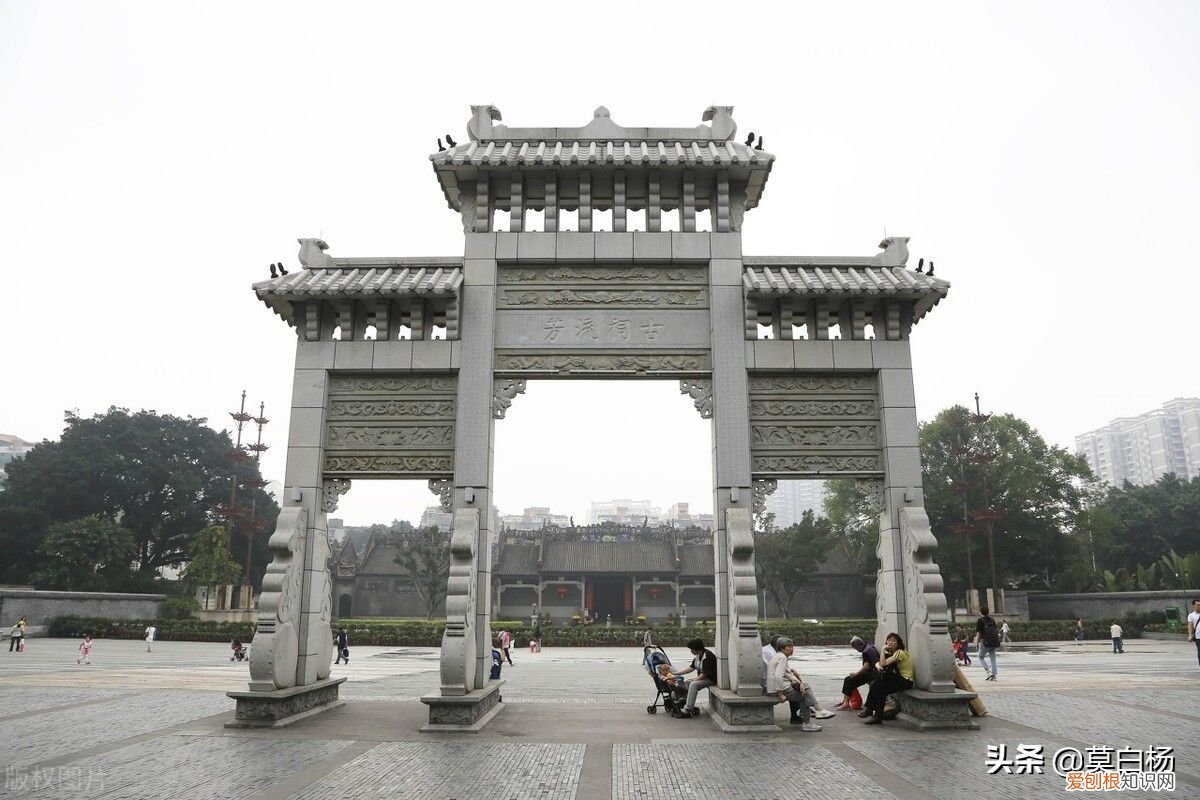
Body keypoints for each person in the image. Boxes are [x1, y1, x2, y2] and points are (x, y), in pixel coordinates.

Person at [767, 638, 824, 731]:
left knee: (804, 688)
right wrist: (780, 694)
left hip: (774, 687)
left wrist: (799, 682)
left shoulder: (778, 656)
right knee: (804, 695)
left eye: (792, 646)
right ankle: (814, 715)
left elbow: (787, 674)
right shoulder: (782, 658)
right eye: (789, 647)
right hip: (778, 689)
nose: (792, 649)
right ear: (782, 648)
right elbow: (778, 676)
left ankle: (816, 713)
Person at [861, 632, 914, 725]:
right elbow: (879, 663)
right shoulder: (891, 652)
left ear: (898, 643)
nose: (890, 642)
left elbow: (883, 664)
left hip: (906, 680)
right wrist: (880, 662)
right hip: (898, 677)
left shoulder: (899, 653)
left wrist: (882, 650)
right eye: (888, 640)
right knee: (879, 687)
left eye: (893, 641)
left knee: (877, 684)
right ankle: (877, 717)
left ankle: (870, 709)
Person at [672, 638, 716, 718]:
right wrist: (677, 673)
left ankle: (687, 710)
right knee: (688, 682)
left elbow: (705, 674)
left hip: (710, 679)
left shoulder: (707, 656)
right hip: (703, 678)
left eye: (691, 649)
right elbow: (691, 667)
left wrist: (694, 680)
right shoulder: (698, 656)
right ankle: (686, 702)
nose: (691, 651)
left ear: (696, 649)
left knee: (693, 685)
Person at [837, 636, 880, 709]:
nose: (857, 650)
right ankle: (844, 701)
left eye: (856, 648)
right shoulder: (870, 647)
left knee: (849, 681)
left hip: (872, 674)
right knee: (847, 679)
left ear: (858, 645)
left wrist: (856, 674)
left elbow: (866, 667)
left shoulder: (865, 652)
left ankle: (846, 703)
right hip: (875, 672)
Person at [975, 605, 1000, 681]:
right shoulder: (992, 620)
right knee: (993, 659)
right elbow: (996, 631)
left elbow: (979, 633)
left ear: (981, 612)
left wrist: (976, 642)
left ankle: (988, 672)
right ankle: (994, 676)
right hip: (993, 642)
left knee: (981, 657)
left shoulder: (980, 620)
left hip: (985, 642)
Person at [1187, 598, 1200, 668]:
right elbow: (1190, 625)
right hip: (1198, 637)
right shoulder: (1191, 615)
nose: (1199, 606)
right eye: (1198, 605)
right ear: (1194, 606)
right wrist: (1190, 635)